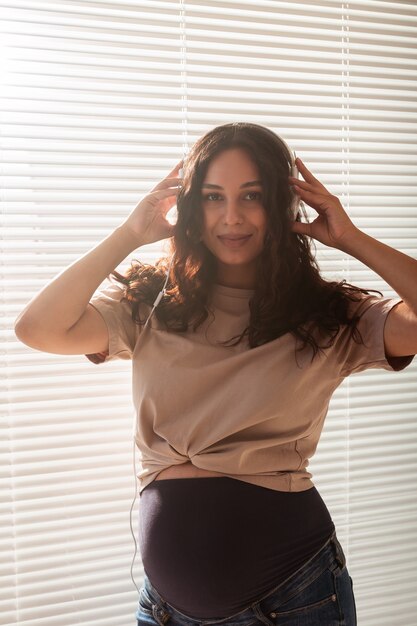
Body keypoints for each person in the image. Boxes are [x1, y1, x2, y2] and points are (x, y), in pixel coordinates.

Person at [14, 122, 416, 626]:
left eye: (252, 195)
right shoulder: (153, 302)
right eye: (211, 197)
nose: (231, 217)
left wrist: (353, 239)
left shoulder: (329, 314)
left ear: (280, 204)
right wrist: (129, 235)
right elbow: (37, 328)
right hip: (165, 610)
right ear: (190, 207)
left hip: (295, 598)